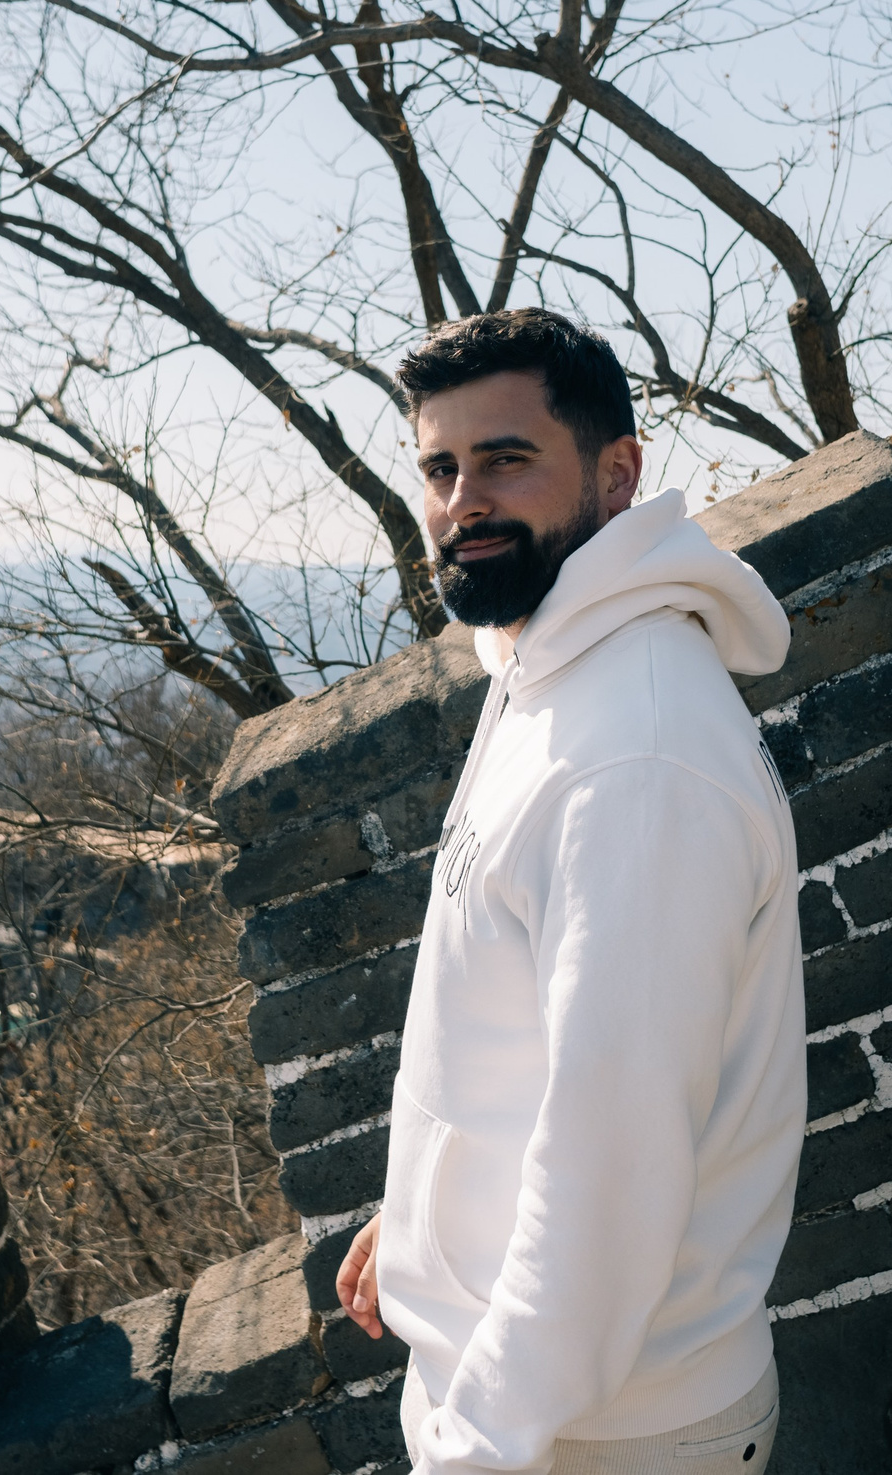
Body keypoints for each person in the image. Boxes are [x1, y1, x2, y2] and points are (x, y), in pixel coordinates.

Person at [332, 309, 807, 1475]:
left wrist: (474, 1452)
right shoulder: (552, 663)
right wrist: (431, 1214)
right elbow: (533, 1040)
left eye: (506, 459)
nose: (463, 501)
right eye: (440, 469)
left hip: (599, 1433)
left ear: (617, 473)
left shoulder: (632, 756)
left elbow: (613, 1167)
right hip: (554, 1402)